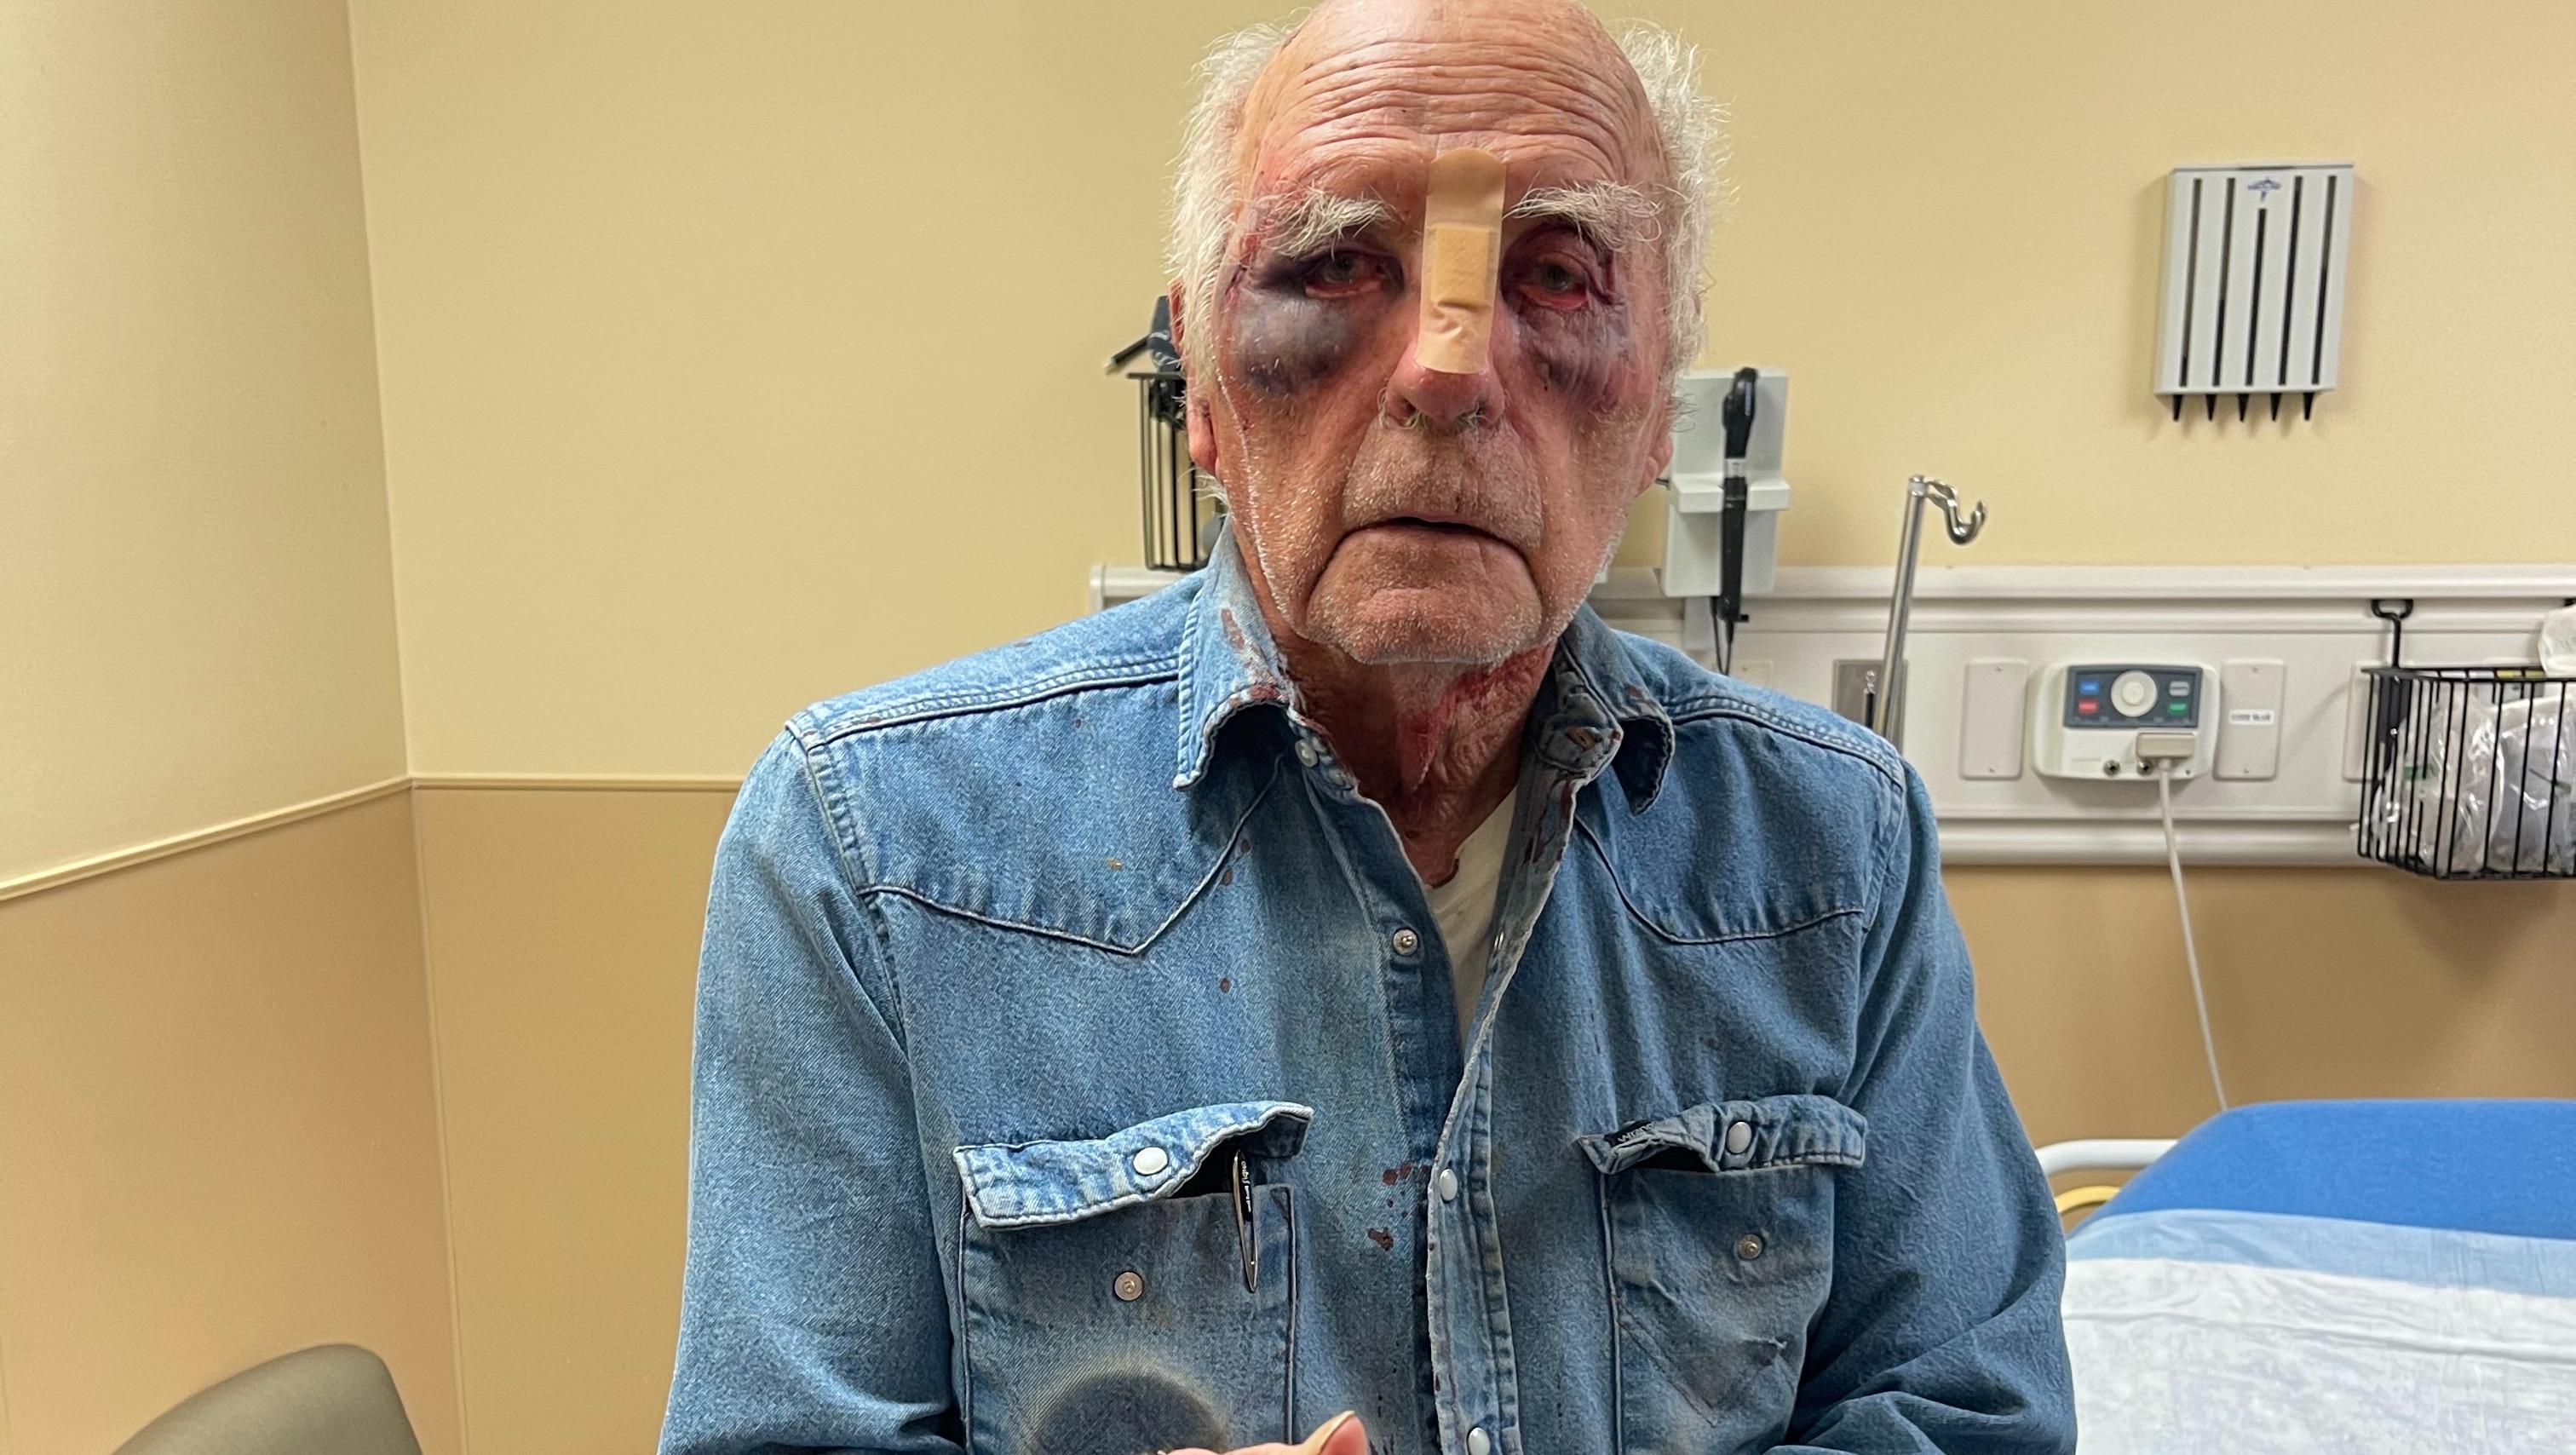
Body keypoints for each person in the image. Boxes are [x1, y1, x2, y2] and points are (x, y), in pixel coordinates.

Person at [659, 2, 2074, 1452]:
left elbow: (1968, 1412)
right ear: (1202, 385)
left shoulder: (1835, 851)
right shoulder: (877, 854)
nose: (1445, 376)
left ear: (1660, 410)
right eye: (1337, 264)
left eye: (1557, 275)